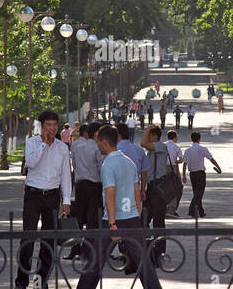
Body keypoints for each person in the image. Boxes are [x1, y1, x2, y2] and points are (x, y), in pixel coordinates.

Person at [76, 125, 162, 289]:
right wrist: (137, 215)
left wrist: (112, 223)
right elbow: (137, 193)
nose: (97, 145)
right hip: (132, 219)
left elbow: (110, 194)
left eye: (97, 142)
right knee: (144, 264)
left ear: (104, 142)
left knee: (95, 262)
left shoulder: (108, 164)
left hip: (113, 220)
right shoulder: (129, 162)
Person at [15, 111, 72, 289]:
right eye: (48, 125)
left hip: (52, 196)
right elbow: (31, 163)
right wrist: (44, 145)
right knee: (28, 238)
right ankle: (21, 280)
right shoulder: (32, 143)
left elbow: (66, 175)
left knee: (49, 240)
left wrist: (66, 200)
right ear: (41, 126)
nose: (52, 129)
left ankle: (41, 280)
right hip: (33, 195)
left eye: (54, 125)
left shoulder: (62, 148)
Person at [64, 123, 105, 260]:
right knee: (93, 218)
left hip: (80, 185)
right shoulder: (98, 148)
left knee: (79, 217)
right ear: (96, 133)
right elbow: (101, 167)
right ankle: (88, 250)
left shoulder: (78, 147)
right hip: (94, 185)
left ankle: (75, 249)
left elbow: (74, 165)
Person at [141, 125, 174, 262]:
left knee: (158, 222)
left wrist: (147, 129)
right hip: (151, 188)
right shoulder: (153, 148)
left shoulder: (160, 146)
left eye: (149, 135)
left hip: (158, 188)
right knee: (143, 219)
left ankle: (159, 253)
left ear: (154, 136)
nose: (147, 137)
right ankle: (147, 249)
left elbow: (143, 143)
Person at [182, 132, 222, 218]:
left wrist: (184, 175)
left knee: (197, 193)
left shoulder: (188, 150)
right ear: (199, 139)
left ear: (191, 139)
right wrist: (218, 167)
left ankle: (201, 211)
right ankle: (192, 210)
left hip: (192, 174)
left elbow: (185, 164)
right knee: (199, 193)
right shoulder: (203, 149)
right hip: (200, 174)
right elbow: (211, 159)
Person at [116, 123, 148, 201]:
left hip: (117, 190)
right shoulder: (139, 150)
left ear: (118, 135)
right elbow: (144, 172)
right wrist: (142, 190)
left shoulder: (114, 150)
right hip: (135, 189)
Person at [163, 130, 183, 219]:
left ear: (167, 137)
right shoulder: (176, 147)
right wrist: (175, 161)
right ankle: (171, 209)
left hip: (162, 169)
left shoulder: (163, 145)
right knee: (175, 188)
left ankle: (163, 207)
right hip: (173, 168)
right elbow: (181, 160)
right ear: (175, 138)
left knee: (163, 188)